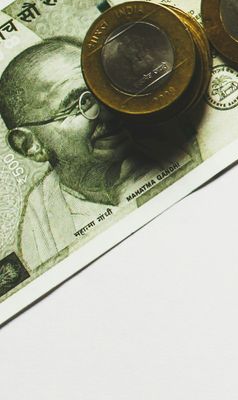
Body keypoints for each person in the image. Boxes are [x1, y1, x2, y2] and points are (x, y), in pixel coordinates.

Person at [0, 37, 152, 270]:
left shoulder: (182, 137)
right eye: (77, 105)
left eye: (102, 87)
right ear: (30, 145)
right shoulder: (38, 231)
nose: (108, 109)